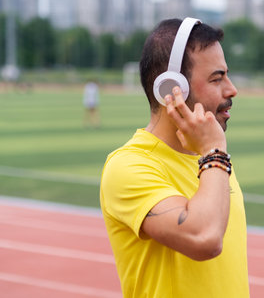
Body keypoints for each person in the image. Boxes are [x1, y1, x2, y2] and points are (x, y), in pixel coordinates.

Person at [100, 18, 249, 298]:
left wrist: (212, 154)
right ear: (172, 90)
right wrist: (214, 152)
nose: (231, 90)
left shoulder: (211, 162)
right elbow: (205, 238)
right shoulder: (129, 166)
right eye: (217, 78)